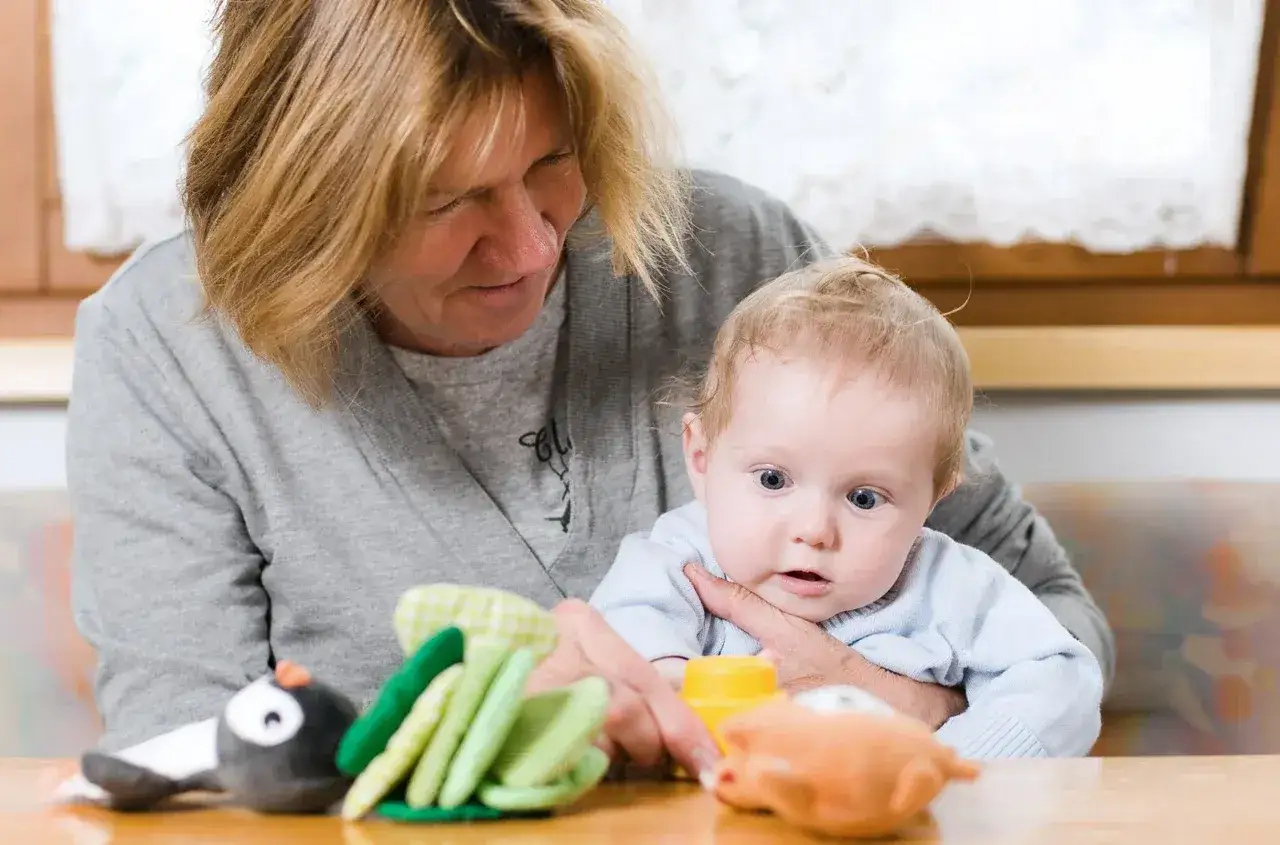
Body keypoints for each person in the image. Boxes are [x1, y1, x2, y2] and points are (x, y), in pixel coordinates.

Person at [65, 0, 1114, 780]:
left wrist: (874, 705)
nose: (532, 245)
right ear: (308, 200)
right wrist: (480, 733)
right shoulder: (168, 345)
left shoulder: (737, 257)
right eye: (447, 201)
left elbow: (1062, 628)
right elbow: (186, 758)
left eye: (553, 162)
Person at [588, 255, 1105, 758]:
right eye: (773, 479)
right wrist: (669, 684)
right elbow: (621, 635)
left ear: (932, 500)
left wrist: (953, 763)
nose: (814, 530)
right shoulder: (679, 560)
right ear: (701, 458)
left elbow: (1063, 681)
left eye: (864, 498)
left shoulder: (947, 586)